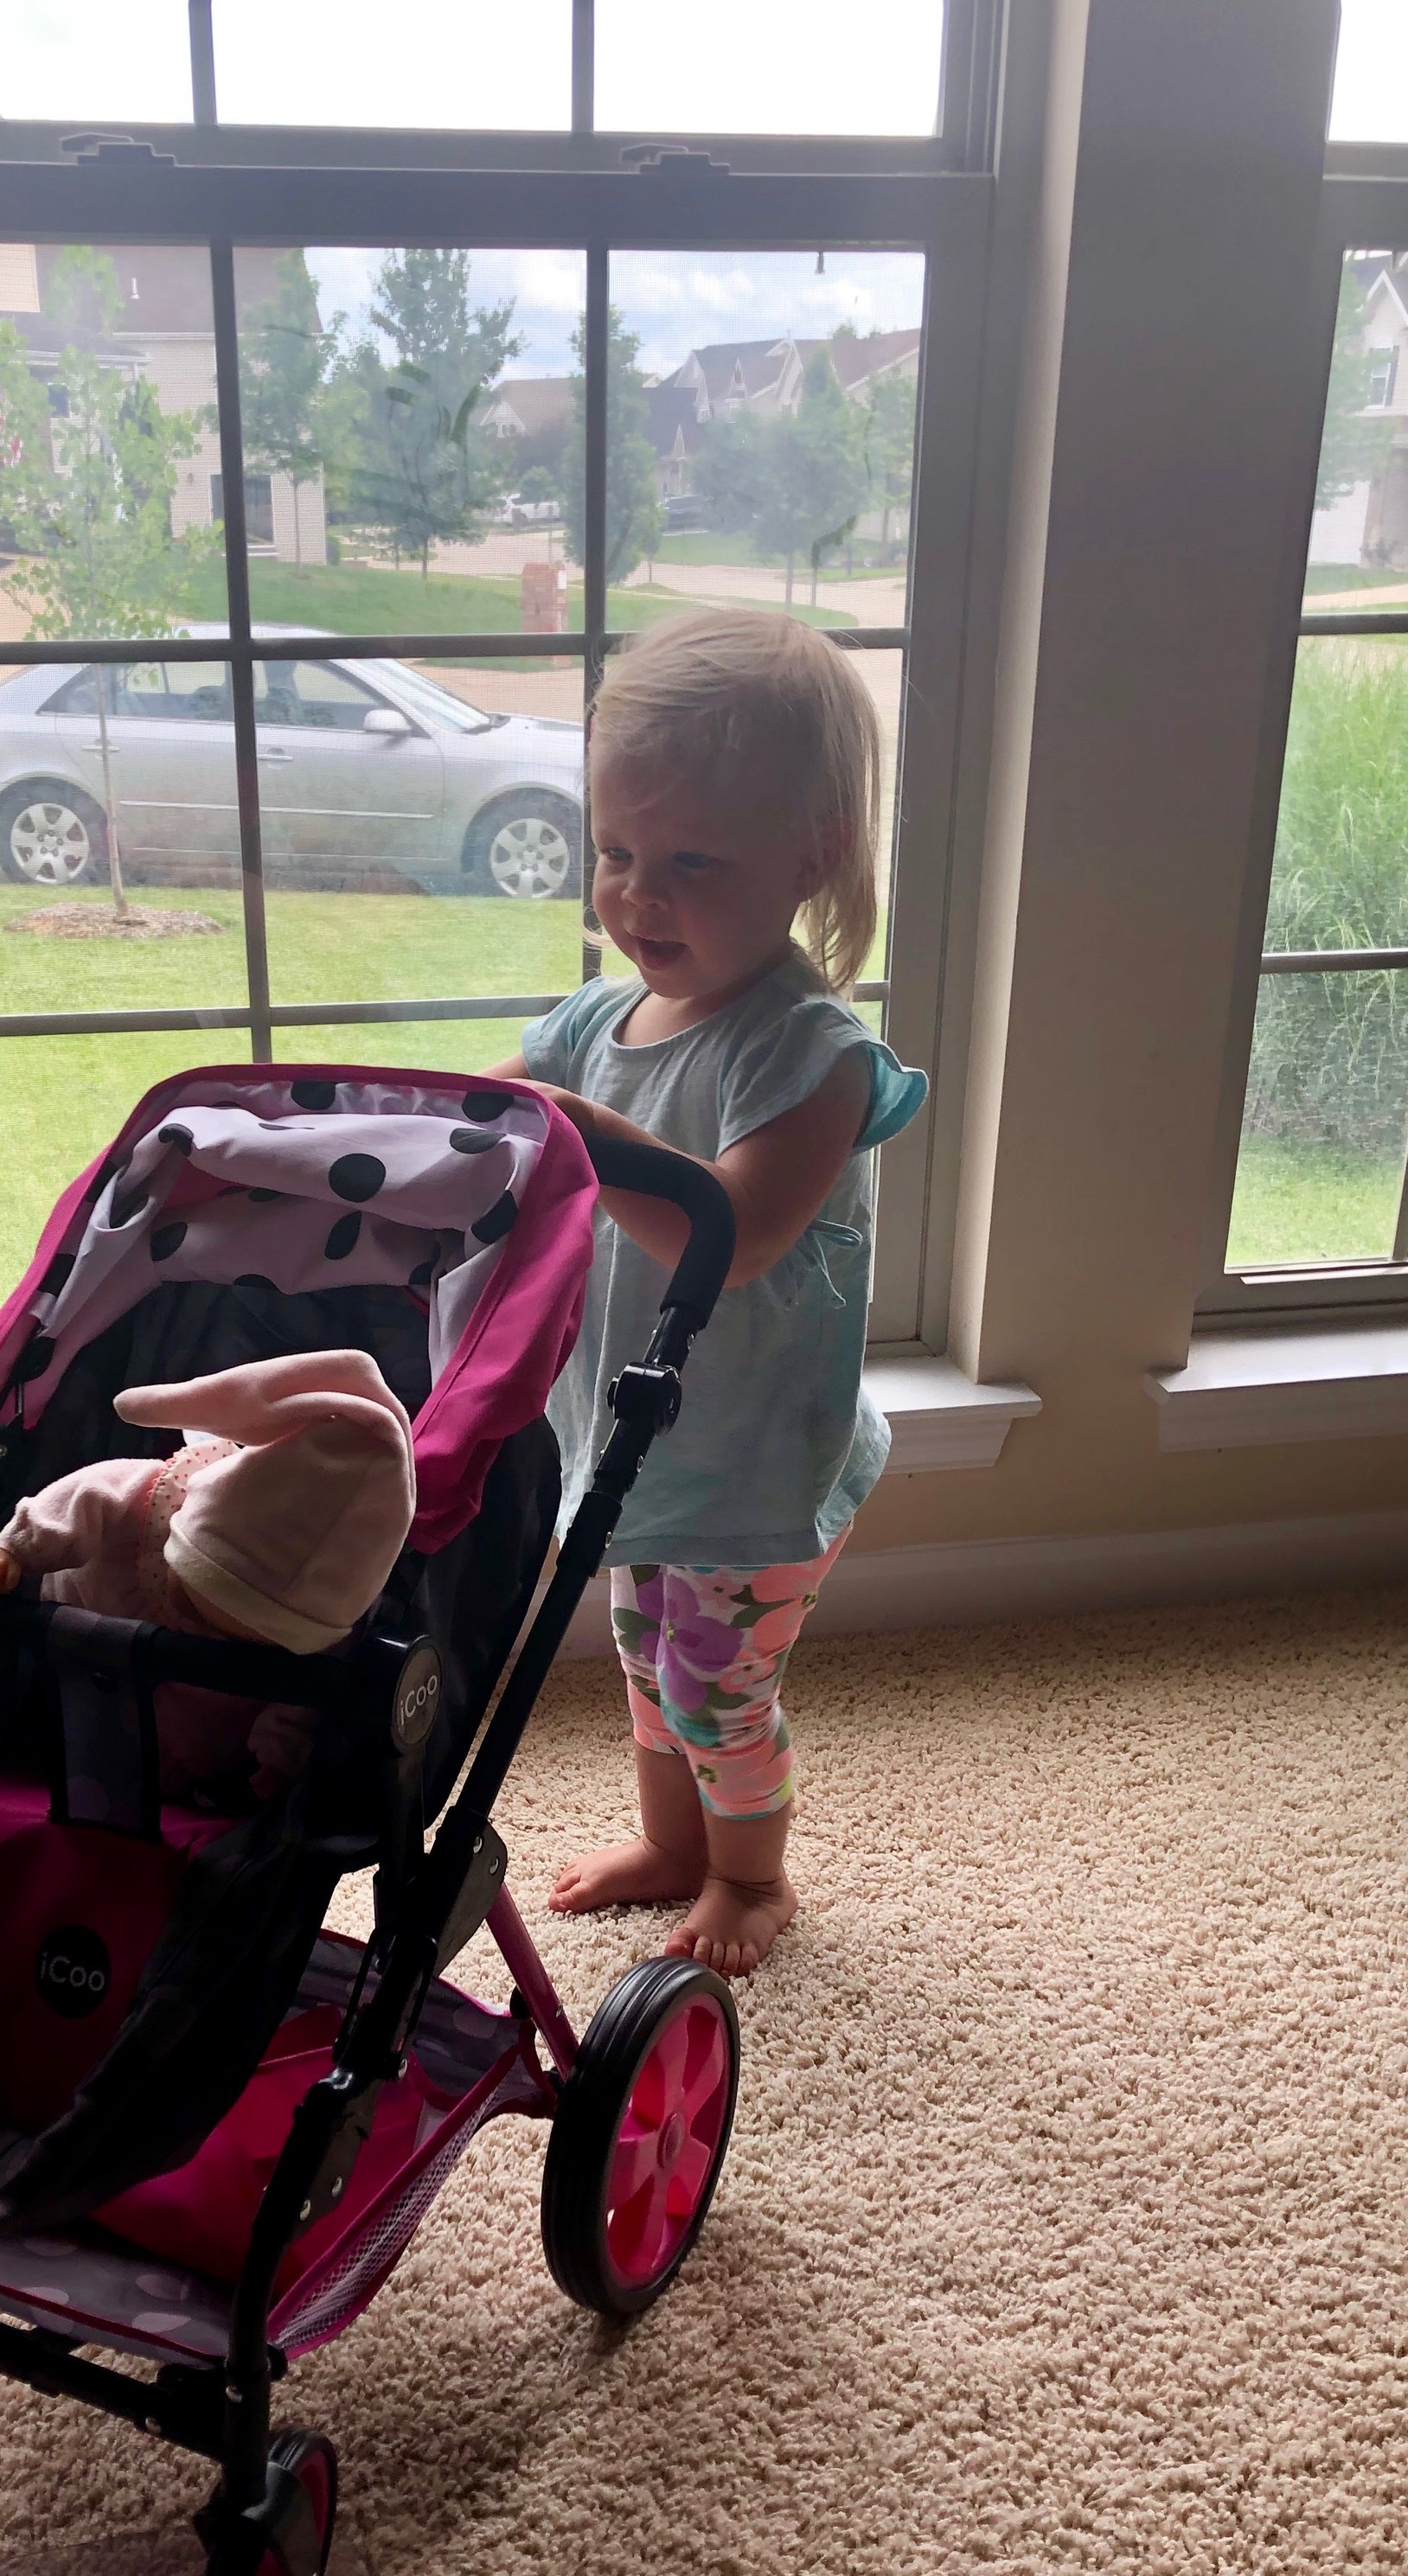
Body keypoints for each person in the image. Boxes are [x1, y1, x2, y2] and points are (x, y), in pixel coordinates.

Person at [485, 609, 926, 1978]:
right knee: (641, 1662)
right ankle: (672, 1845)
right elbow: (512, 1156)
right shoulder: (584, 1024)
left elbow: (726, 1231)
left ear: (814, 857)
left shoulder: (811, 1052)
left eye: (690, 861)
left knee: (715, 1685)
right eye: (617, 853)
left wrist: (583, 1136)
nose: (639, 895)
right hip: (632, 1436)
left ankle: (751, 1872)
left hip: (756, 1449)